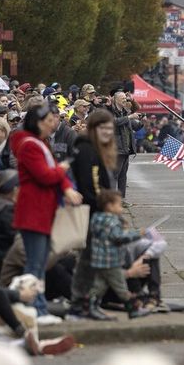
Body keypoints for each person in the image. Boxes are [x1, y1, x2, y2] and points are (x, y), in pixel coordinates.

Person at [10, 104, 84, 319]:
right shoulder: (30, 145)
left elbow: (53, 175)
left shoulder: (38, 143)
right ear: (38, 122)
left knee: (39, 263)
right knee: (35, 264)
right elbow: (46, 176)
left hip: (42, 210)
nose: (52, 124)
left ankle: (39, 307)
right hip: (34, 210)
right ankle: (35, 308)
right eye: (48, 121)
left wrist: (65, 184)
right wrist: (61, 170)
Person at [66, 110, 119, 319]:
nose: (107, 132)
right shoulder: (87, 150)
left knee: (88, 261)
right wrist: (103, 208)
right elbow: (90, 185)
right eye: (103, 128)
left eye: (110, 128)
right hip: (92, 212)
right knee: (92, 262)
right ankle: (85, 304)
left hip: (94, 210)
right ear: (93, 128)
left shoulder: (93, 149)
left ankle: (82, 303)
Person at [87, 190, 151, 320]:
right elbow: (118, 237)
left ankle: (89, 305)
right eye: (119, 205)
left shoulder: (96, 218)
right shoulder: (113, 222)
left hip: (99, 260)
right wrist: (137, 234)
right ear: (110, 206)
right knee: (121, 286)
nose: (121, 208)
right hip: (111, 261)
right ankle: (132, 309)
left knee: (100, 285)